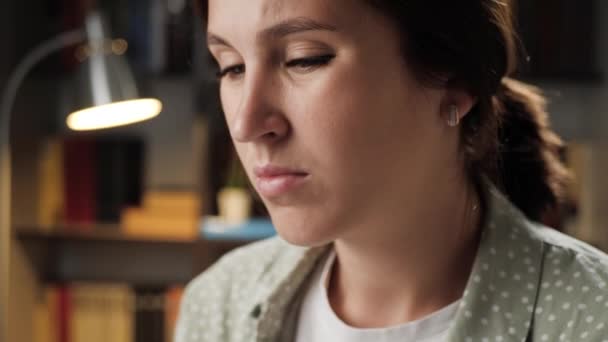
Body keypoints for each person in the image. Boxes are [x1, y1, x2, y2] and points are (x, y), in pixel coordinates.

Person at [176, 0, 608, 341]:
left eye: (304, 59)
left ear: (454, 84)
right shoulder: (220, 304)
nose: (246, 124)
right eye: (231, 67)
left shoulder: (590, 318)